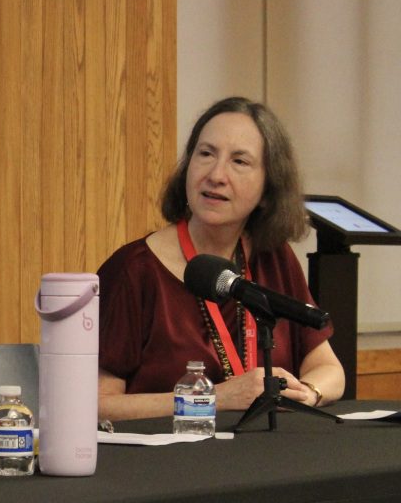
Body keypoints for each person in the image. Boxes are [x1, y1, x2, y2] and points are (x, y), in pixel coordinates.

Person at [97, 96, 345, 421]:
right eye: (206, 154)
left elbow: (329, 369)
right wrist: (215, 398)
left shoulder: (273, 257)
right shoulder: (134, 270)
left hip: (263, 456)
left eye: (239, 162)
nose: (216, 174)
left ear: (268, 188)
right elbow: (96, 404)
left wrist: (308, 392)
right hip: (169, 462)